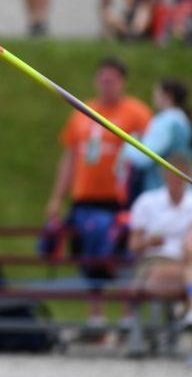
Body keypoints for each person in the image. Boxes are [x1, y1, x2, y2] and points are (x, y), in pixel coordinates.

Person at [45, 57, 152, 325]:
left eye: (112, 80)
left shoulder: (136, 113)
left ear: (122, 83)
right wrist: (57, 198)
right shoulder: (83, 111)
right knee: (89, 255)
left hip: (120, 200)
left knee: (123, 254)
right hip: (85, 199)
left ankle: (128, 316)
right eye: (102, 79)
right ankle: (97, 317)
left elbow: (149, 157)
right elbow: (69, 156)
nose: (106, 85)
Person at [128, 154, 192, 364]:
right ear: (165, 175)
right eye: (173, 174)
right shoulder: (148, 201)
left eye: (181, 175)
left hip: (185, 264)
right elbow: (133, 244)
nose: (177, 180)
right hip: (155, 264)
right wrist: (150, 242)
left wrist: (190, 244)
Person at [119, 78, 192, 196]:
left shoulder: (167, 121)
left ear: (167, 95)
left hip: (162, 196)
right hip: (180, 193)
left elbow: (143, 157)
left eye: (156, 93)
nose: (154, 97)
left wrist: (130, 141)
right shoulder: (183, 120)